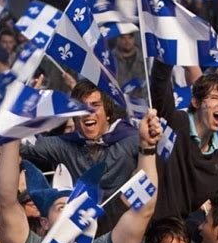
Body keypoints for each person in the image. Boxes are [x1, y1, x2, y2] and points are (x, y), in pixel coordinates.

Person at [0, 110, 161, 243]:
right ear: (44, 222)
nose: (70, 211)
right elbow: (6, 201)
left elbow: (143, 210)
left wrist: (147, 148)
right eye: (61, 207)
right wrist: (13, 133)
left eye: (76, 207)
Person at [151, 59, 218, 243]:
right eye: (215, 97)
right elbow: (159, 84)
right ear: (196, 102)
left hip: (177, 239)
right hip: (142, 231)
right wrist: (166, 49)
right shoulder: (174, 123)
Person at [20, 81, 139, 233]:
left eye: (95, 105)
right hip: (83, 238)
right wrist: (24, 108)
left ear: (108, 113)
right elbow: (21, 143)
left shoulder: (131, 139)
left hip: (127, 235)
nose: (88, 111)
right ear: (75, 119)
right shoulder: (65, 145)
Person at [112, 33, 146, 97]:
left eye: (130, 38)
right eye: (123, 38)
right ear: (118, 39)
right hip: (121, 102)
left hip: (144, 102)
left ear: (134, 39)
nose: (127, 41)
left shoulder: (146, 59)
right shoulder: (110, 60)